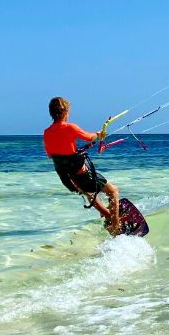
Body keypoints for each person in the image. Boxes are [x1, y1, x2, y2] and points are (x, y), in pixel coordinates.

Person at [43, 96, 122, 236]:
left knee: (88, 193)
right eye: (67, 111)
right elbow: (89, 137)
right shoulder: (70, 127)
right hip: (81, 174)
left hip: (67, 178)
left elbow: (52, 155)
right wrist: (98, 134)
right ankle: (115, 227)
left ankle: (107, 214)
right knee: (113, 191)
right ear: (64, 112)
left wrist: (71, 152)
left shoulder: (47, 133)